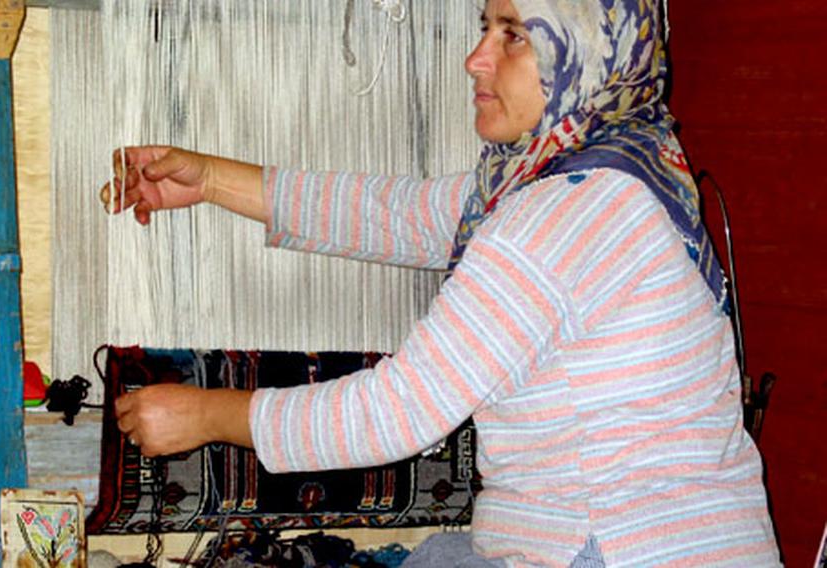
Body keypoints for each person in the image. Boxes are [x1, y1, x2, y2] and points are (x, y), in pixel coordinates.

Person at [103, 0, 781, 565]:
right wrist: (210, 180)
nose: (476, 59)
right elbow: (405, 215)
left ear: (581, 47)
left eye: (513, 34)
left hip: (628, 548)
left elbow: (393, 413)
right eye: (484, 26)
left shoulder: (566, 213)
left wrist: (206, 415)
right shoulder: (621, 163)